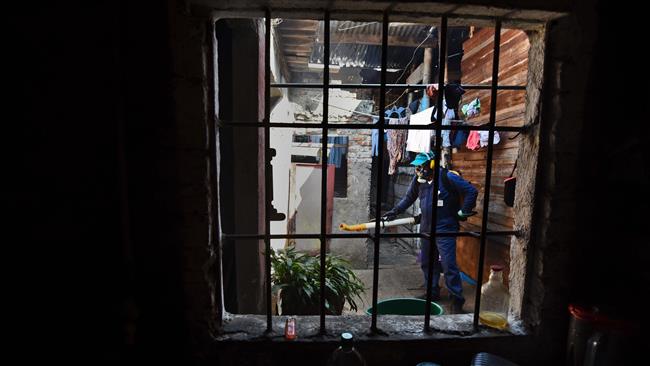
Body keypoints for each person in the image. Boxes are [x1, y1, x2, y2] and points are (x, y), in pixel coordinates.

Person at [381, 151, 478, 313]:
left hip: (445, 228)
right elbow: (409, 198)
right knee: (427, 262)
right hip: (426, 227)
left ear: (431, 164)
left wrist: (464, 211)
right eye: (417, 167)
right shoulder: (419, 180)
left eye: (421, 166)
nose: (418, 170)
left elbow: (471, 191)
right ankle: (432, 292)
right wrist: (395, 211)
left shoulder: (447, 177)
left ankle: (457, 299)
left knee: (448, 265)